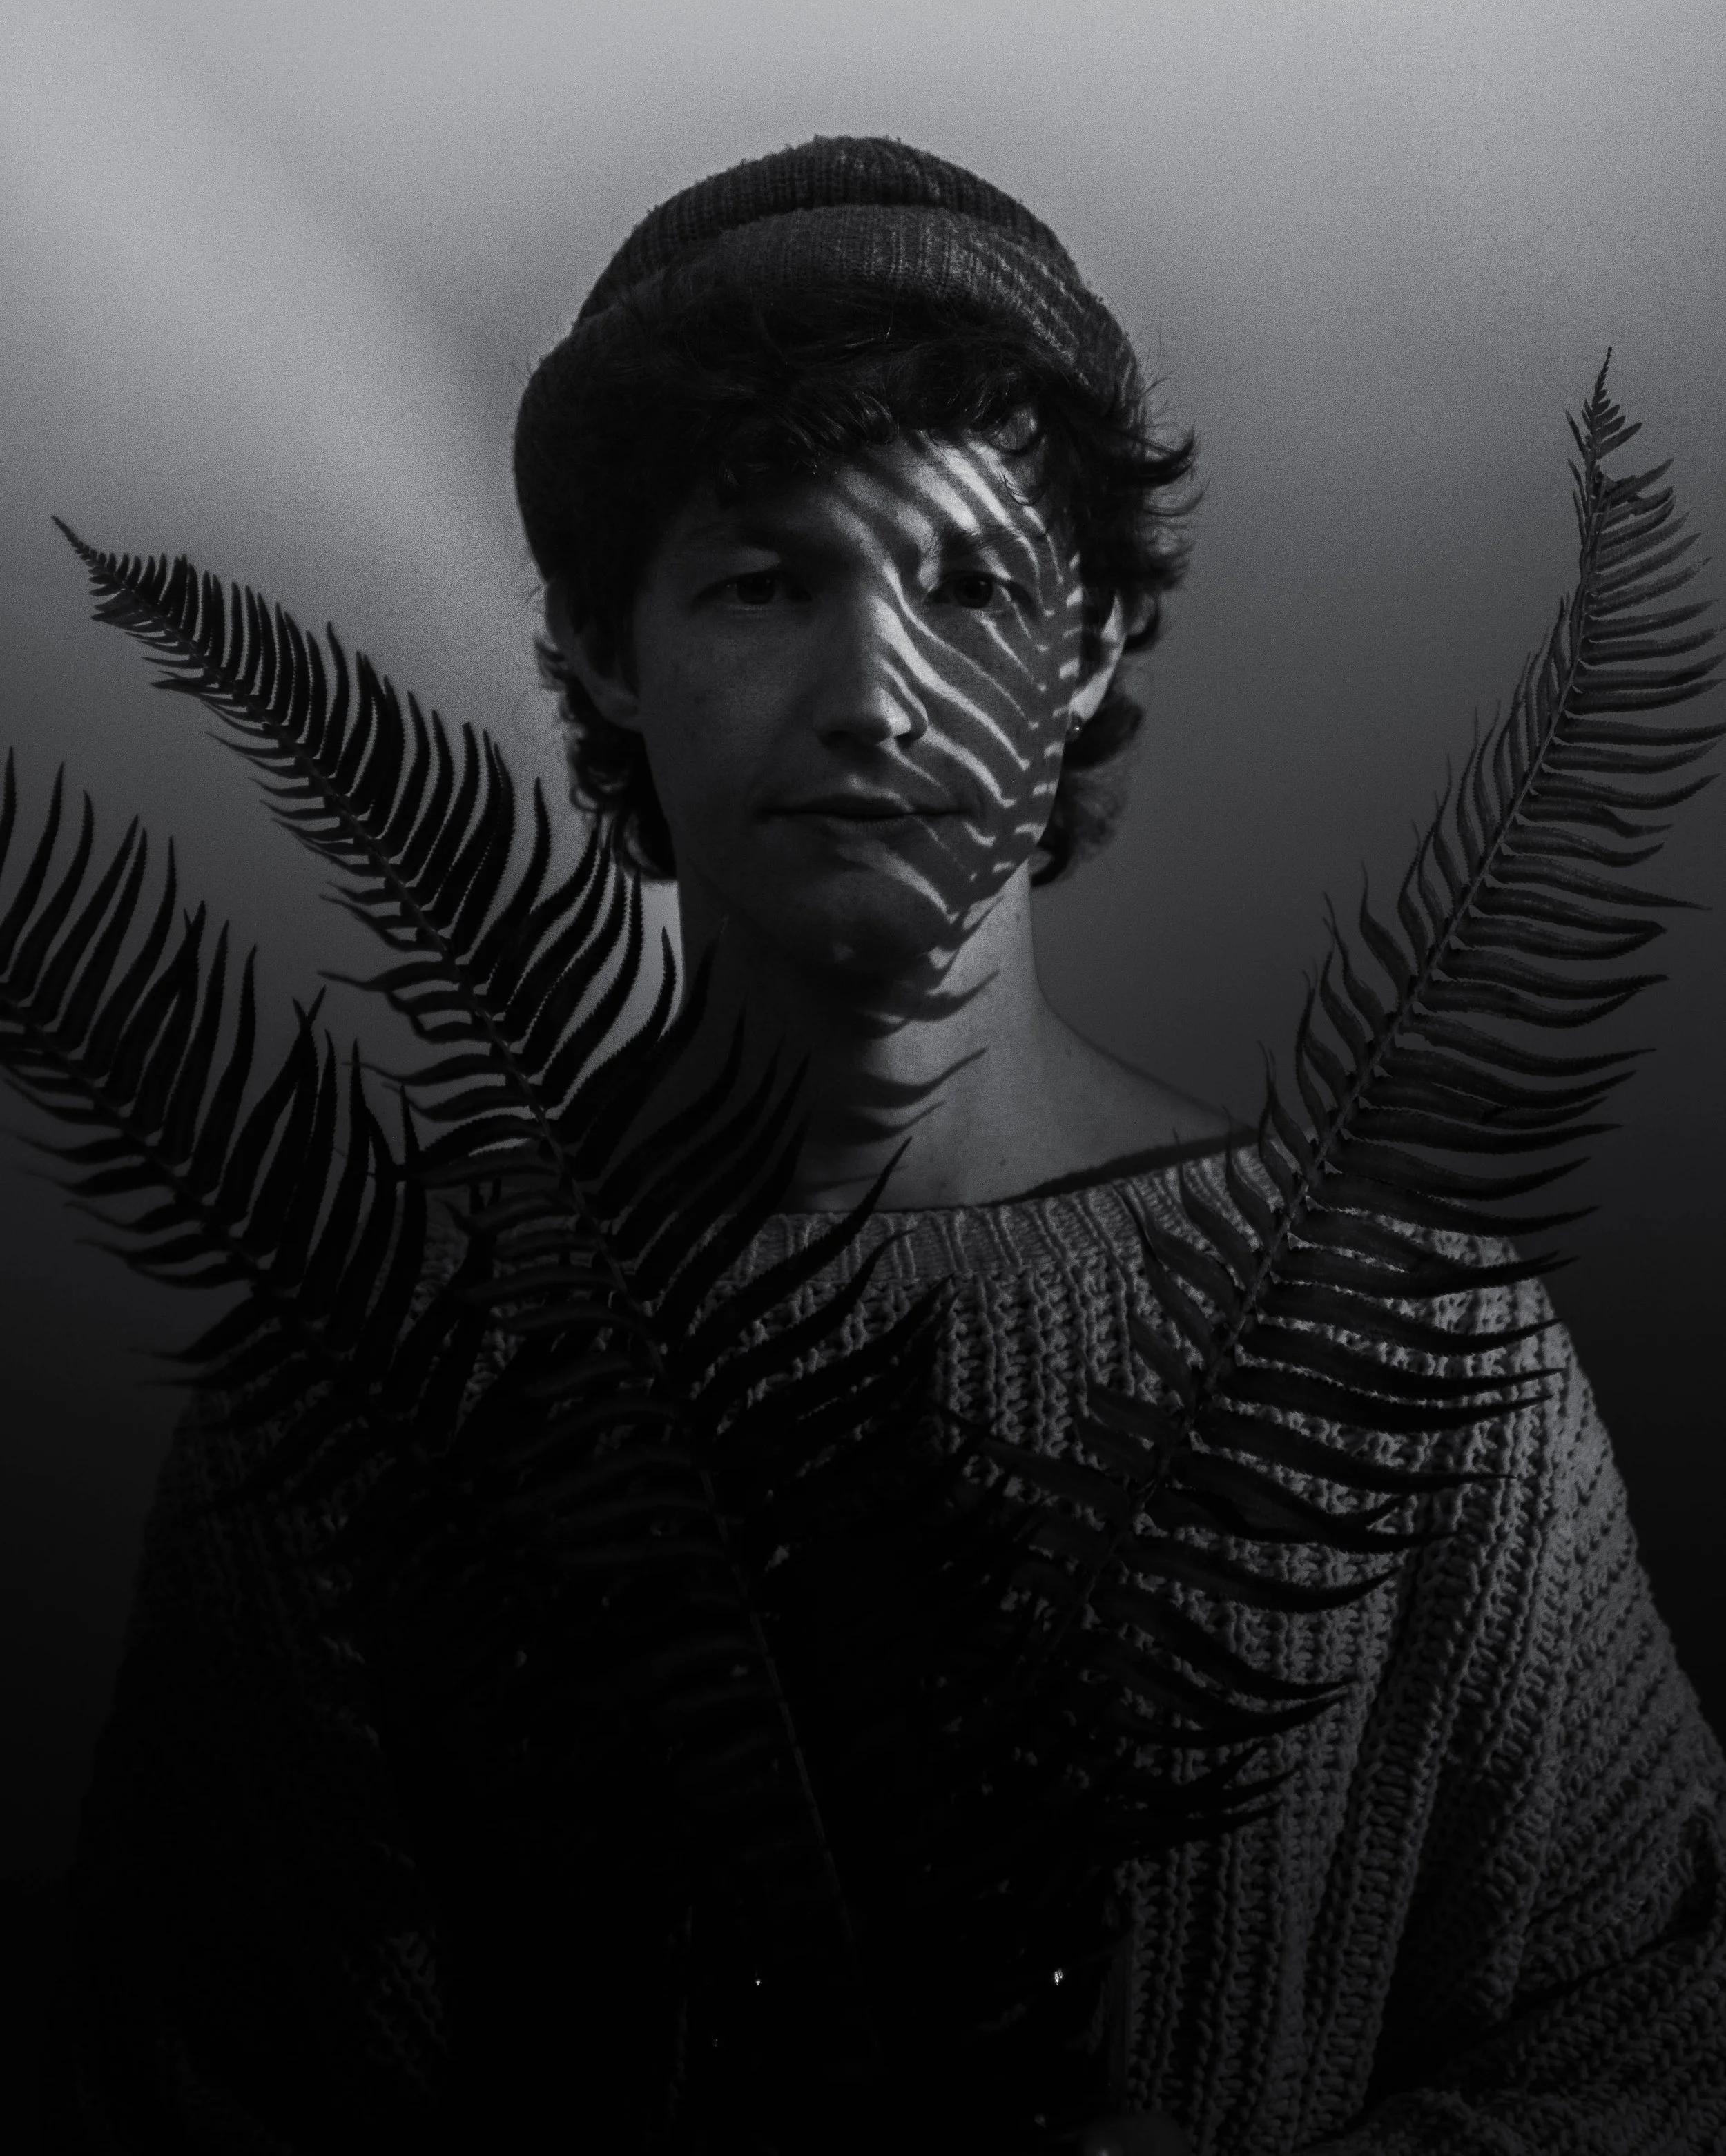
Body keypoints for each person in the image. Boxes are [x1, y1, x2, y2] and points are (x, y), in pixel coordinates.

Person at [53, 137, 1726, 2152]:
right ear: (599, 645)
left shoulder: (1422, 1349)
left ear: (1092, 642)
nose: (878, 693)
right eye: (766, 580)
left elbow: (1661, 2045)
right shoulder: (372, 1360)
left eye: (971, 583)